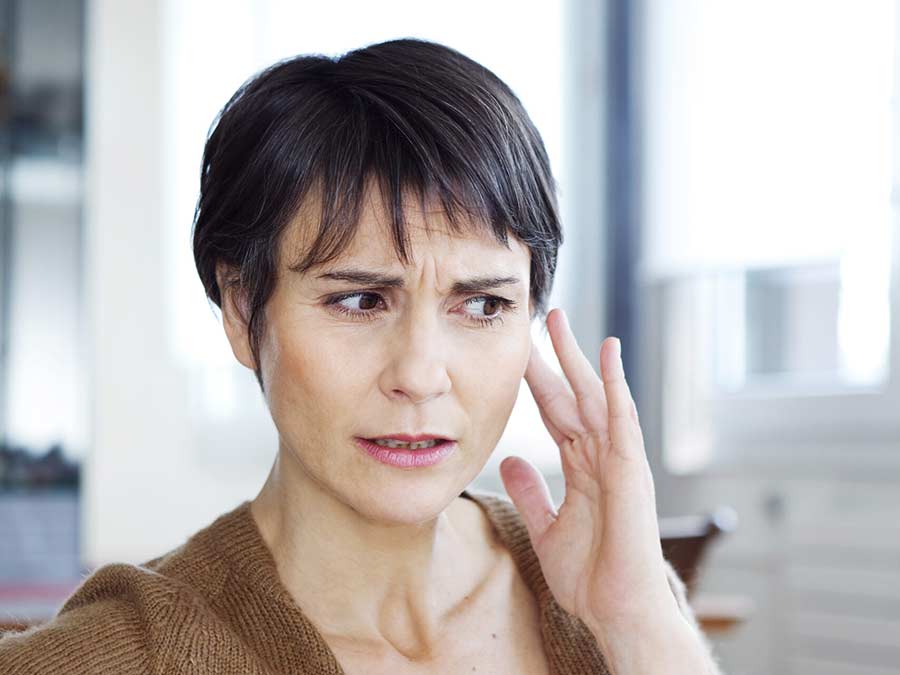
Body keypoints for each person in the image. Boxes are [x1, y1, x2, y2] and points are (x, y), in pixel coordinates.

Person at [0, 38, 722, 674]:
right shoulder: (129, 652)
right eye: (359, 300)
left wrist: (638, 626)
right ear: (244, 309)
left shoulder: (615, 598)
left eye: (482, 305)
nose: (419, 374)